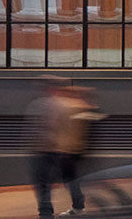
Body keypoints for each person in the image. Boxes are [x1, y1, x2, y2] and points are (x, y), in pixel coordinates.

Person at [28, 75, 93, 218]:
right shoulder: (70, 106)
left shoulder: (41, 105)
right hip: (63, 150)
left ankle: (46, 213)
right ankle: (78, 206)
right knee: (69, 180)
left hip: (48, 150)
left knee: (44, 183)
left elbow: (38, 129)